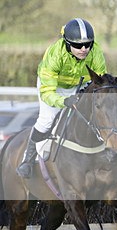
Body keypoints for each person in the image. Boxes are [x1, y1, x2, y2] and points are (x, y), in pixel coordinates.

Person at [17, 18, 107, 178]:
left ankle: (112, 153)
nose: (84, 49)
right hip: (52, 87)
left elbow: (99, 81)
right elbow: (47, 93)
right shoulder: (54, 55)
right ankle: (27, 160)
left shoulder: (96, 53)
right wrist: (64, 101)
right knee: (47, 119)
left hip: (79, 84)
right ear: (67, 43)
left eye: (88, 44)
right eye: (78, 45)